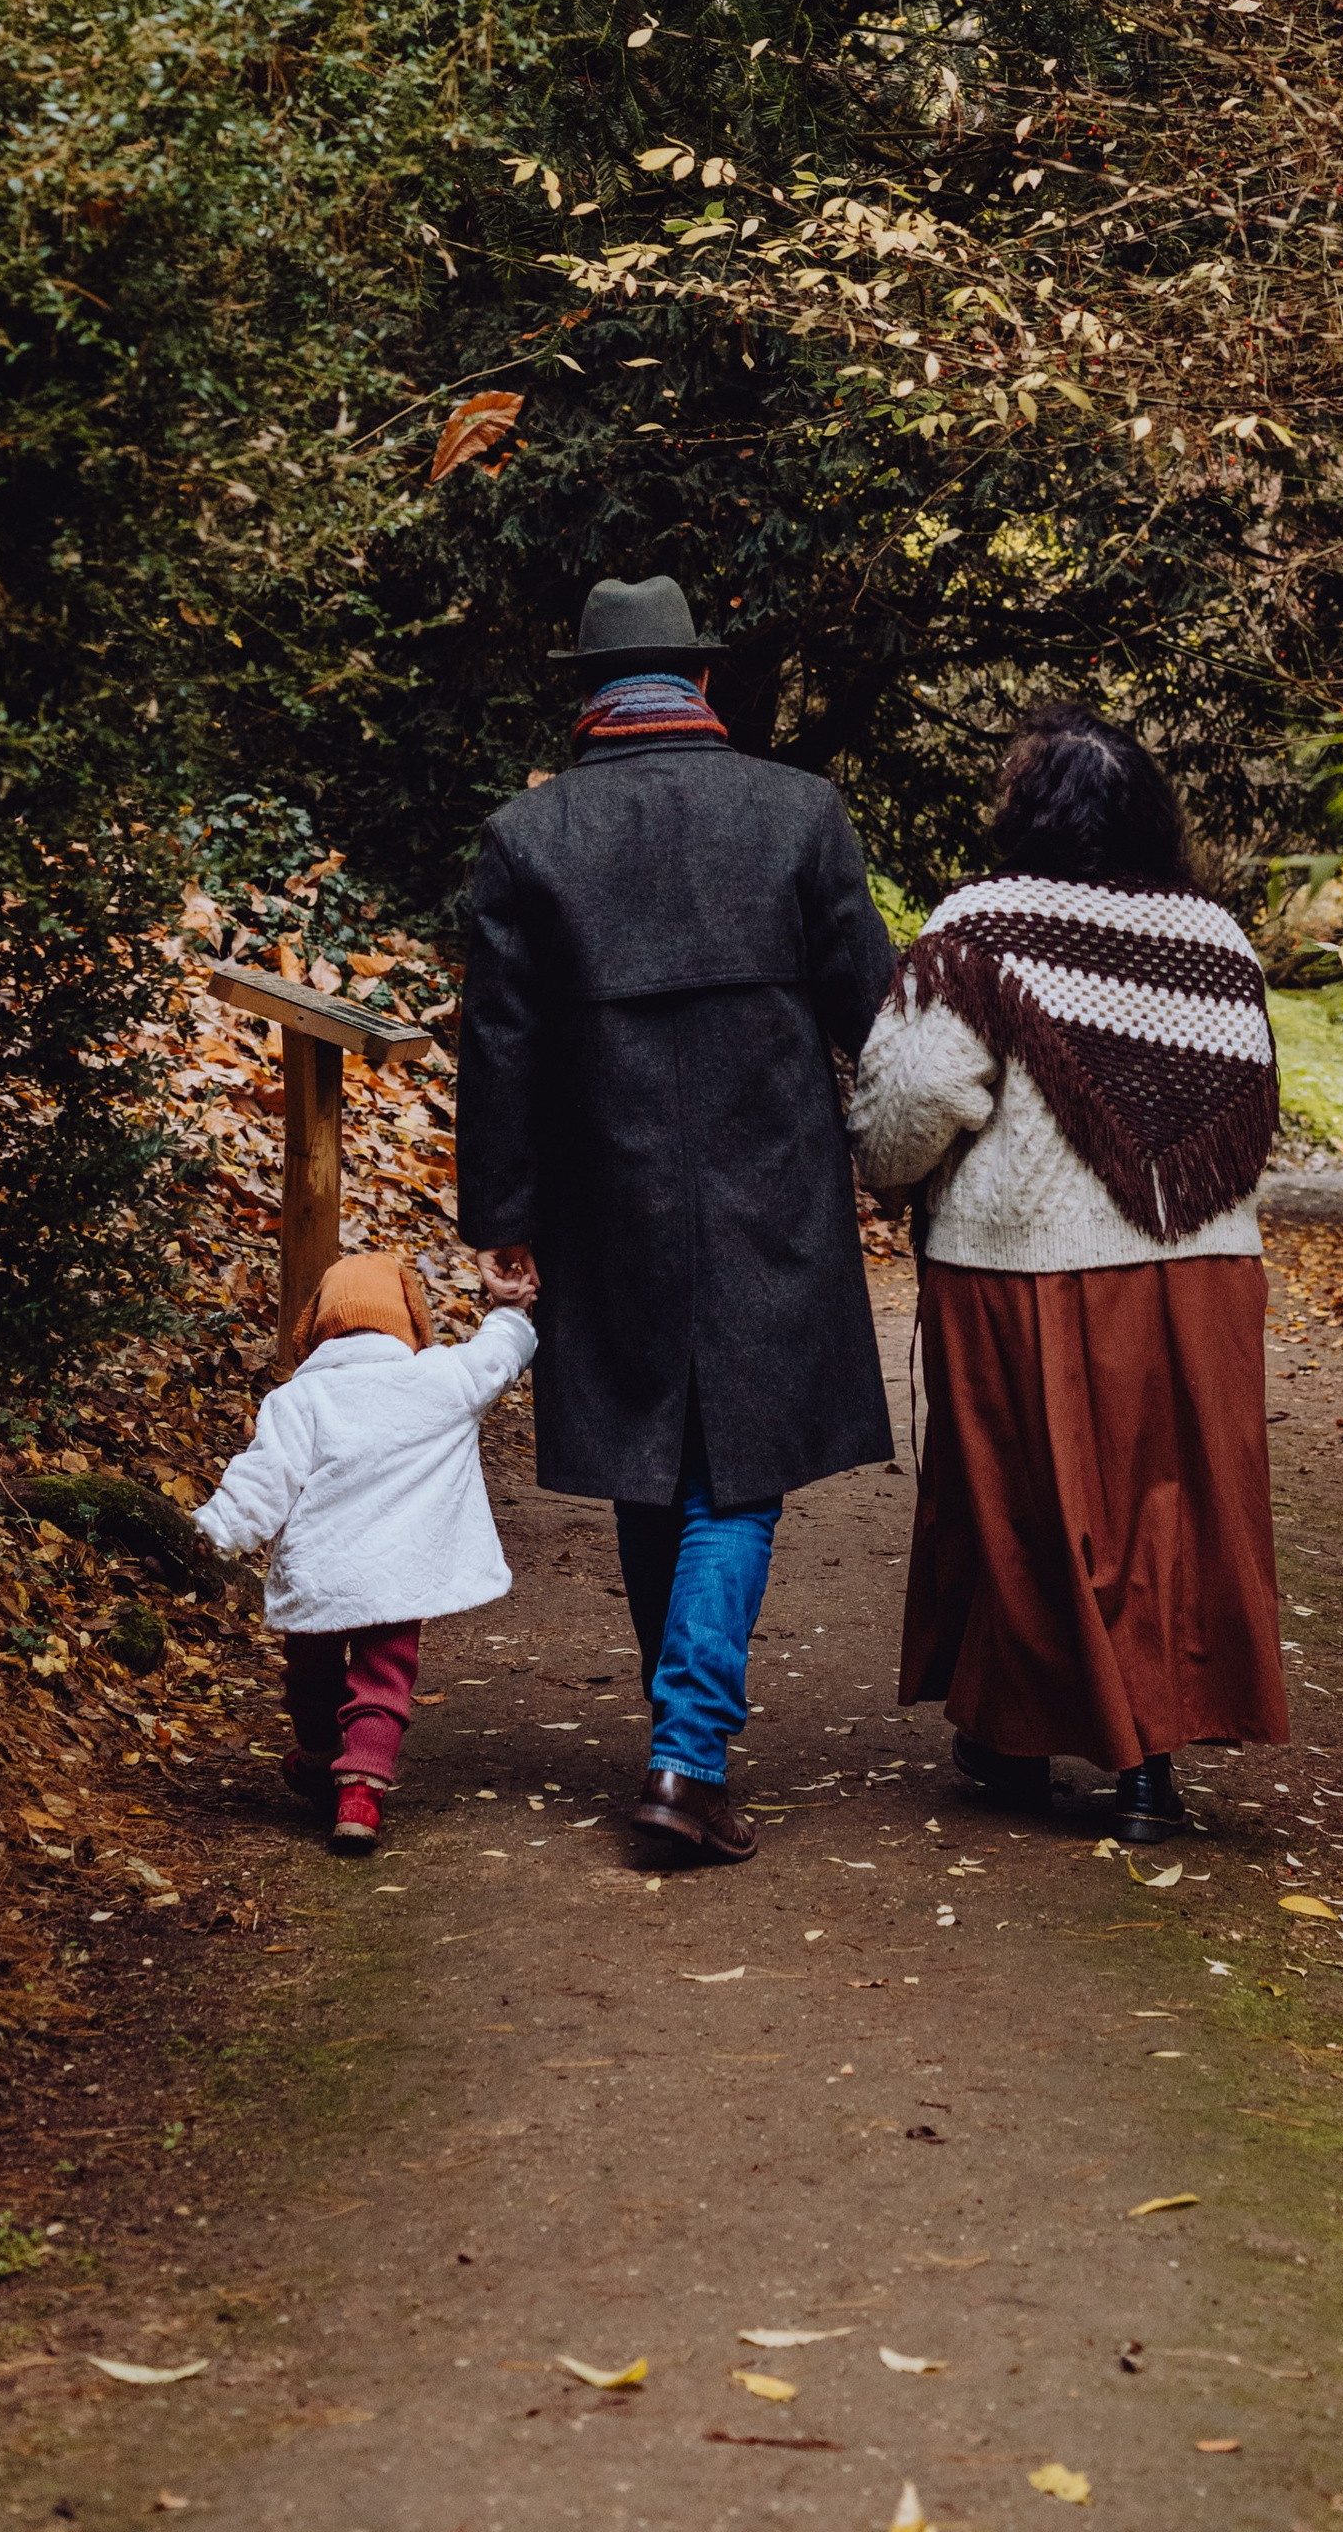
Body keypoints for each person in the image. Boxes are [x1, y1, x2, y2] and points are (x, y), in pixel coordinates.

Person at [455, 570, 895, 1867]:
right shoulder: (800, 815)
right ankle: (687, 1756)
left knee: (656, 1465)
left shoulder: (526, 841)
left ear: (589, 700)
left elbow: (500, 1051)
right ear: (701, 686)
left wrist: (503, 1213)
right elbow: (875, 1017)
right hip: (774, 1195)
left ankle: (679, 1740)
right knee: (734, 1472)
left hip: (607, 1197)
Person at [847, 704, 1291, 1846]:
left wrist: (887, 1178)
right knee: (1163, 1508)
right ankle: (1127, 1765)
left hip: (1025, 1266)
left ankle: (1039, 1737)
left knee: (1022, 1503)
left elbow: (911, 1103)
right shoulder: (1218, 939)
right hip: (1199, 1272)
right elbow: (1250, 1111)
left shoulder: (979, 928)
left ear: (1024, 811)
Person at [192, 1247, 538, 1856]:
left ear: (316, 1329)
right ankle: (361, 1794)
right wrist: (509, 1308)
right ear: (410, 1320)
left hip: (321, 1576)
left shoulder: (298, 1401)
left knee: (310, 1679)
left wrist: (211, 1534)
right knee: (384, 1680)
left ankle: (320, 1756)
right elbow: (500, 1355)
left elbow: (260, 1482)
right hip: (398, 1578)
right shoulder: (442, 1377)